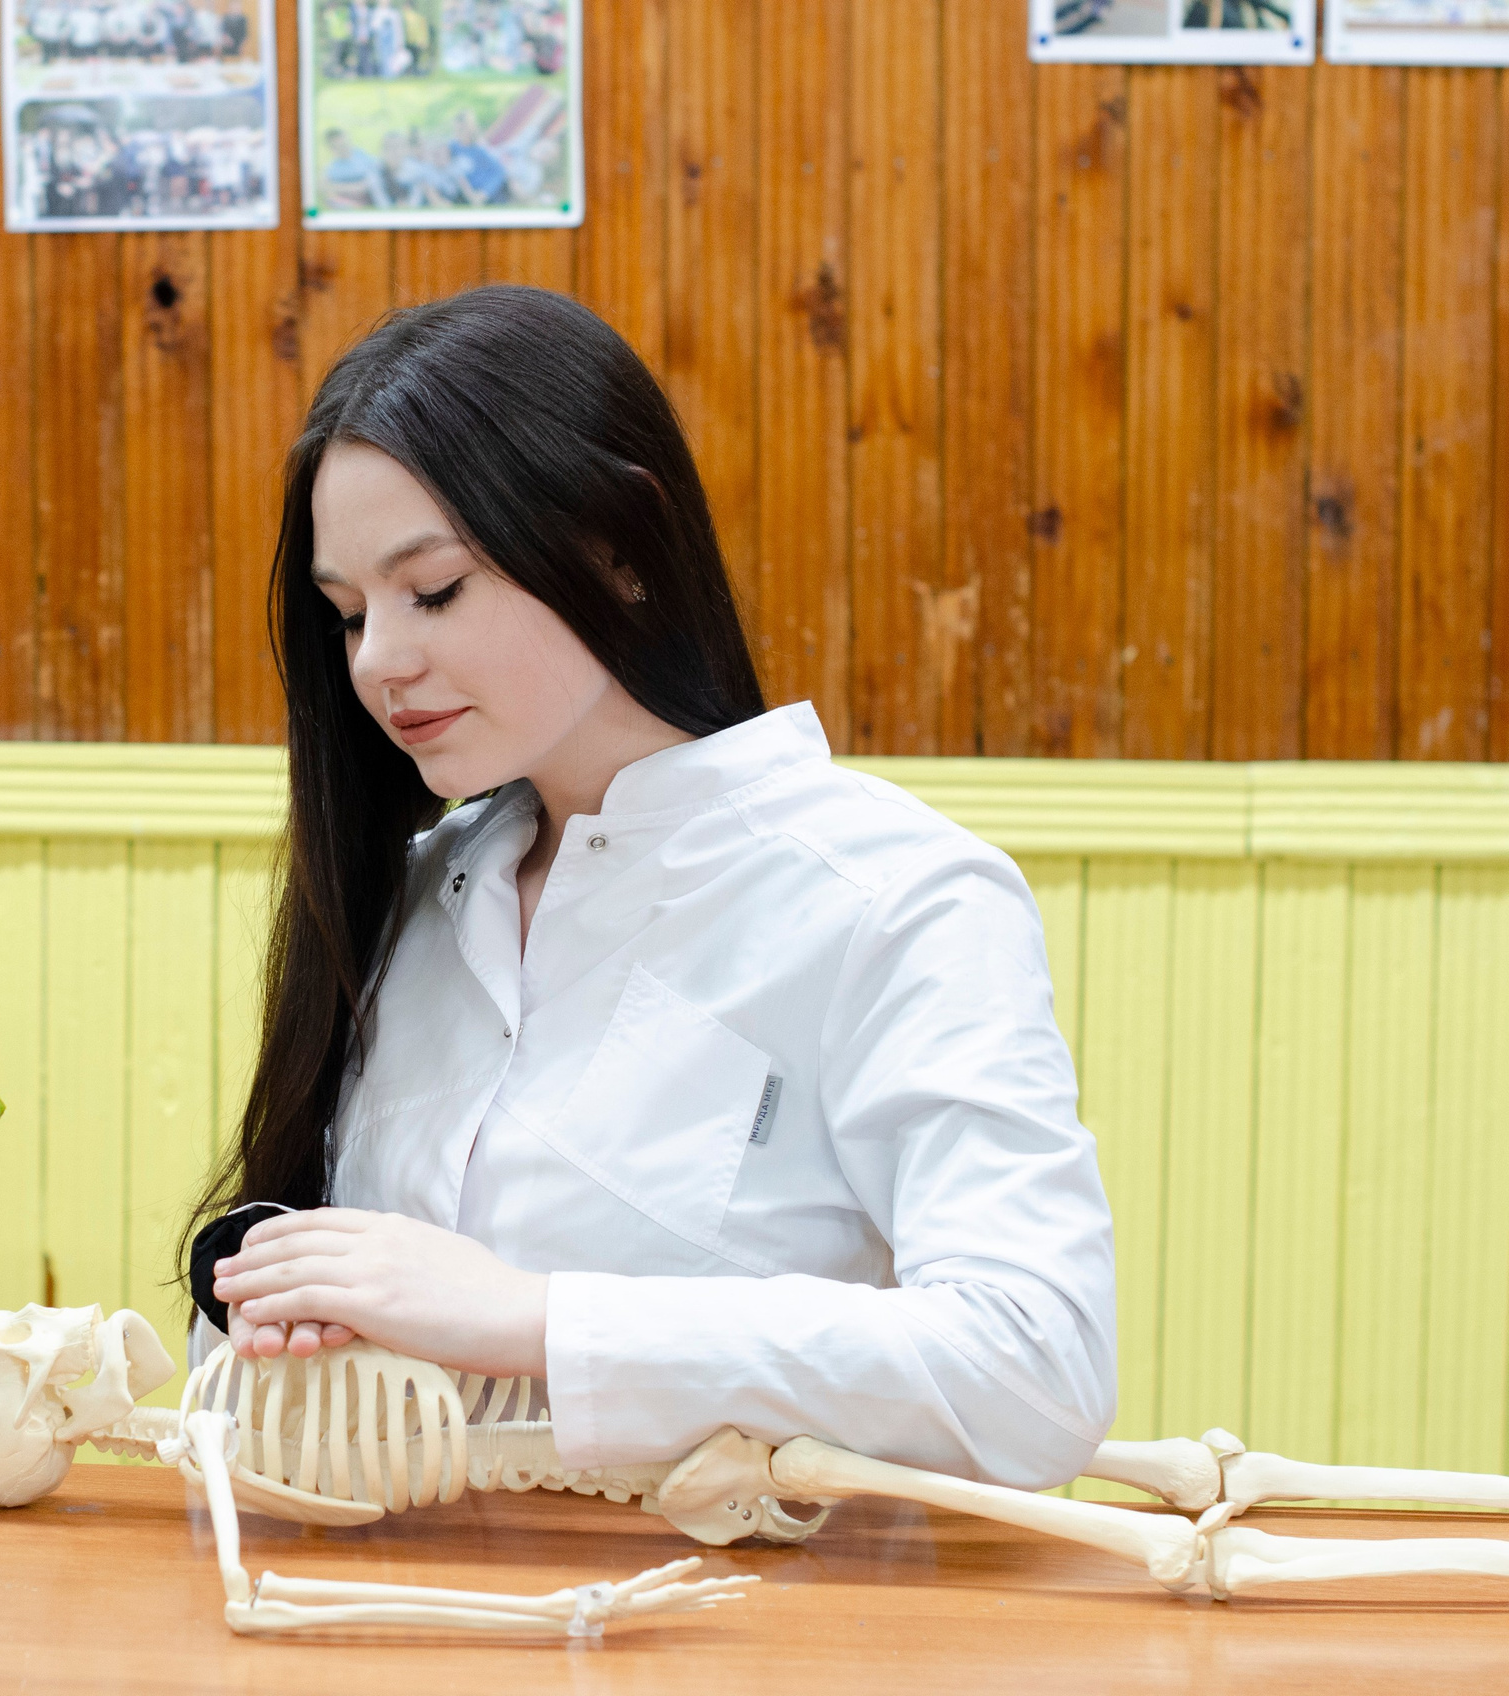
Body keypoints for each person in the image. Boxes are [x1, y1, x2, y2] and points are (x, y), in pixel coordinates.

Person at [187, 286, 1119, 1493]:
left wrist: (538, 1320)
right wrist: (280, 1294)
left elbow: (1034, 1369)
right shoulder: (416, 891)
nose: (378, 663)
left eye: (435, 590)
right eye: (348, 614)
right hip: (382, 1607)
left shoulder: (895, 897)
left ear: (617, 548)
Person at [318, 127, 388, 208]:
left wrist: (339, 187)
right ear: (331, 148)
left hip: (368, 198)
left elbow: (370, 181)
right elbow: (323, 187)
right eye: (338, 146)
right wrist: (352, 188)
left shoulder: (362, 156)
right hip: (347, 201)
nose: (344, 149)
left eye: (345, 144)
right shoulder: (332, 168)